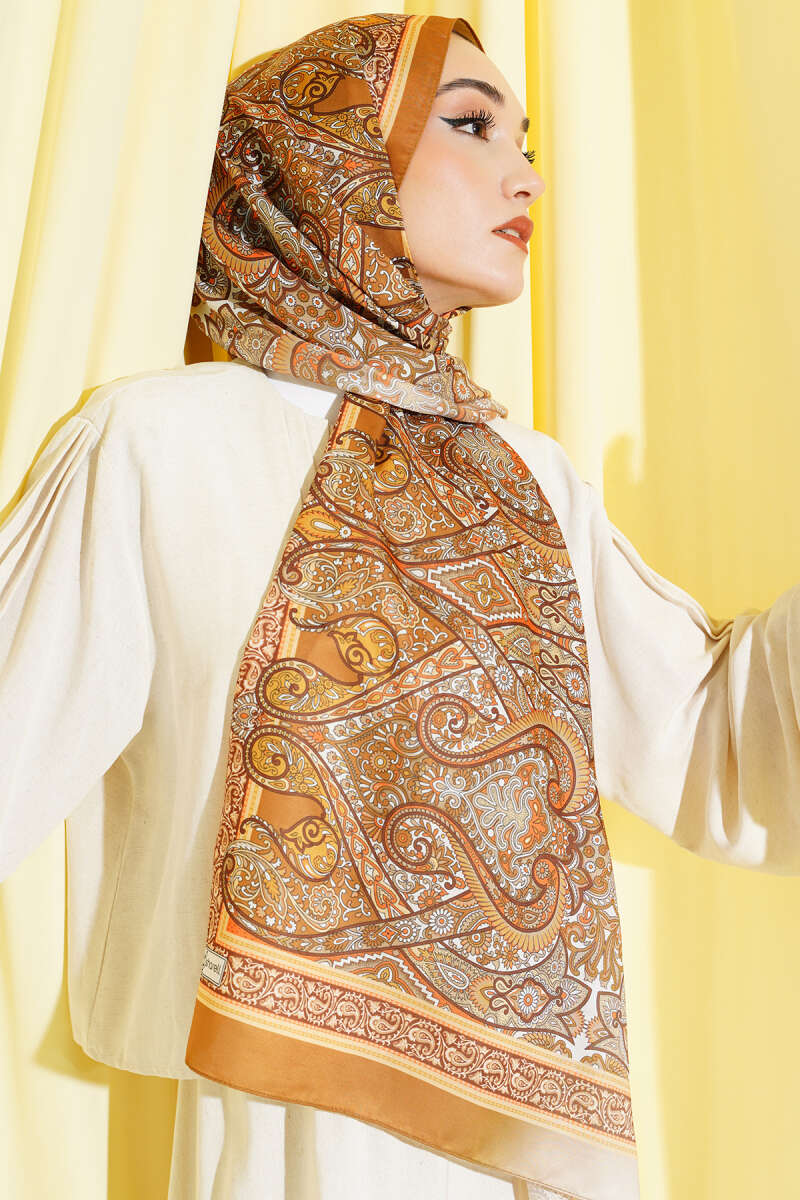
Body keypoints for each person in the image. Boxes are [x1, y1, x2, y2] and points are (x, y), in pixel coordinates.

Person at [1, 12, 799, 1200]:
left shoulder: (526, 481)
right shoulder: (162, 443)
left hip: (525, 1143)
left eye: (525, 143)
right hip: (270, 1132)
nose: (525, 177)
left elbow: (713, 750)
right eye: (469, 125)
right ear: (322, 159)